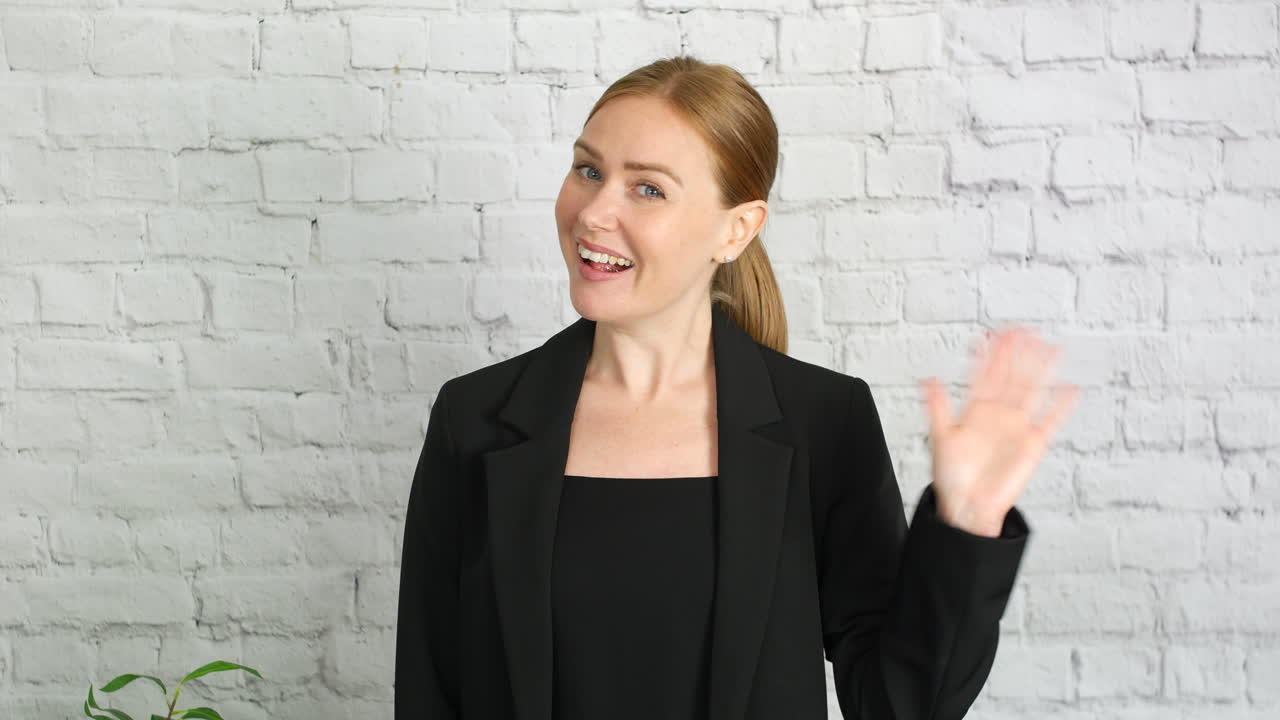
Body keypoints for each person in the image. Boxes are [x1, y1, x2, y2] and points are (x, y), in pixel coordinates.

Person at [395, 55, 1079, 720]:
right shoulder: (473, 419)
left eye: (648, 188)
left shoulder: (824, 423)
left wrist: (966, 529)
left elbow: (897, 705)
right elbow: (431, 693)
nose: (594, 212)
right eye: (588, 170)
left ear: (737, 229)